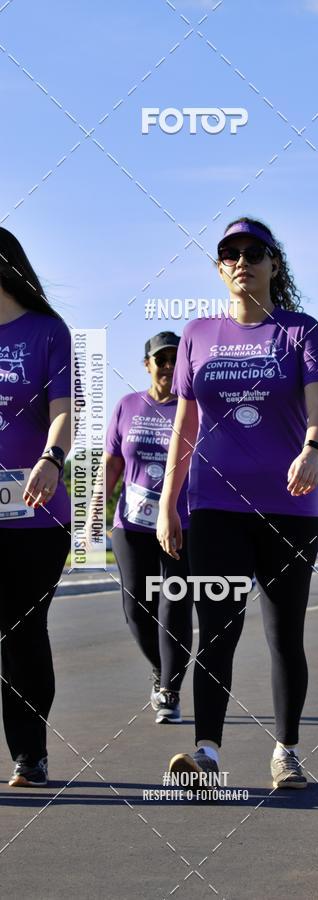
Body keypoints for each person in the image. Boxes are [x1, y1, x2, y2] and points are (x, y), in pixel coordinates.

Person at [157, 217, 318, 788]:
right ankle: (206, 755)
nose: (242, 262)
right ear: (219, 268)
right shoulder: (197, 334)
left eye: (254, 252)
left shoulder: (301, 331)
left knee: (284, 634)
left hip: (289, 507)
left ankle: (287, 752)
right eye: (230, 254)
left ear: (274, 264)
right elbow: (184, 426)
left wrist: (312, 451)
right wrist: (168, 502)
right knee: (216, 629)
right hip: (214, 508)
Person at [0, 228, 71, 787]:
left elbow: (63, 411)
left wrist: (52, 458)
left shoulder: (48, 332)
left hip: (36, 512)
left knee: (21, 631)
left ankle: (30, 753)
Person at [104, 332, 193, 724]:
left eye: (176, 359)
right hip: (132, 523)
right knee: (136, 608)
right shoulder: (127, 406)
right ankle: (161, 668)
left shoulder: (194, 408)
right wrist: (93, 509)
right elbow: (112, 463)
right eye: (161, 360)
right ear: (147, 365)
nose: (169, 366)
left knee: (174, 602)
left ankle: (170, 689)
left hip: (181, 522)